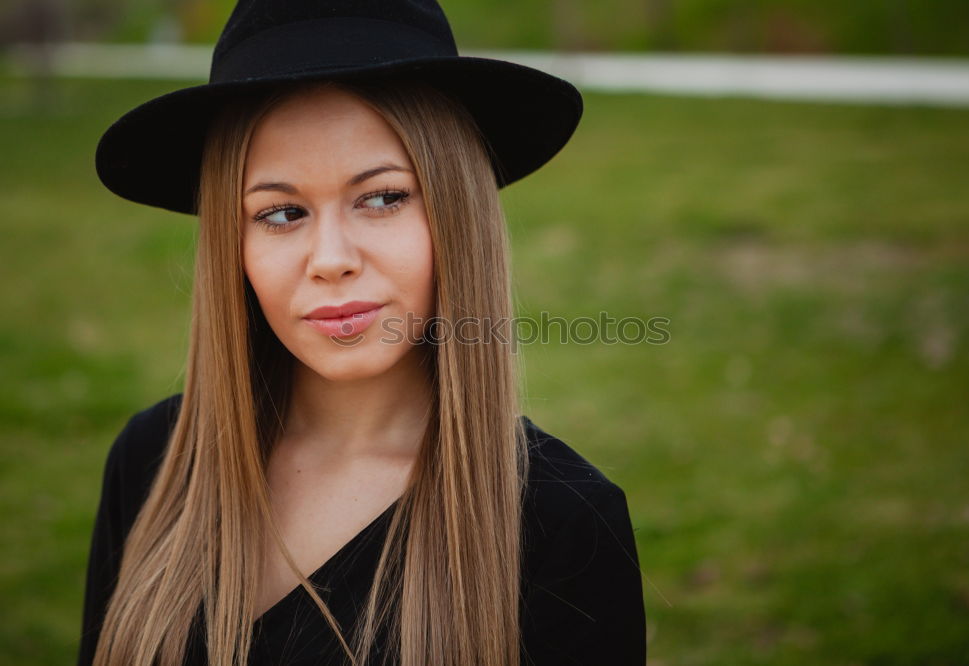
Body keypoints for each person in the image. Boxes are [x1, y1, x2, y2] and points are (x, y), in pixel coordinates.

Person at [76, 1, 646, 665]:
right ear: (233, 245)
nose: (330, 259)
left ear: (455, 212)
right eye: (281, 212)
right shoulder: (155, 463)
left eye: (382, 198)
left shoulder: (564, 525)